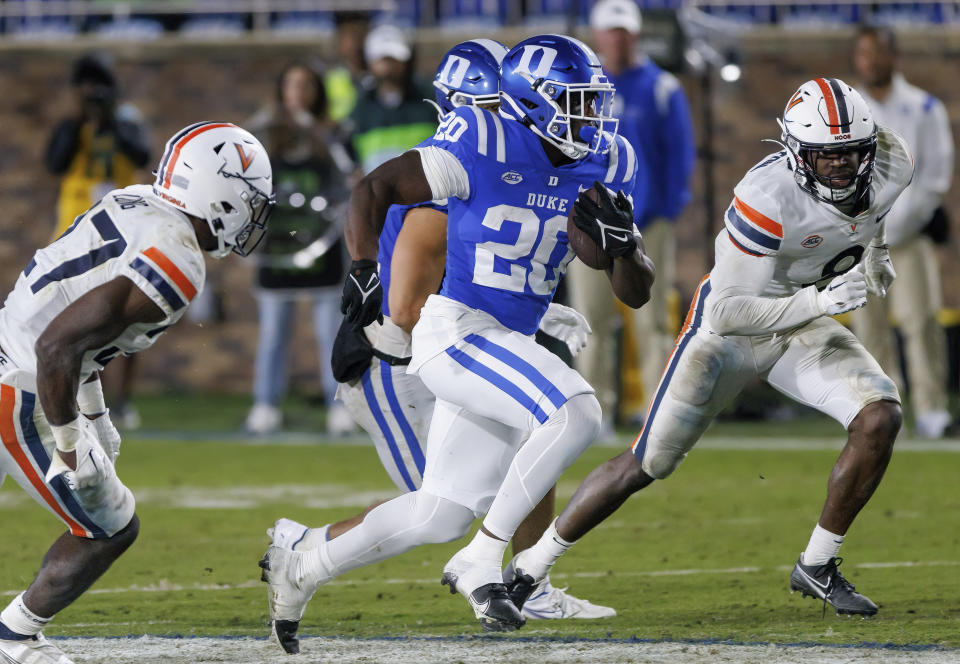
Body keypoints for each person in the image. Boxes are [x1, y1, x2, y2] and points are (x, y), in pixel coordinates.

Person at [259, 34, 655, 653]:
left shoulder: (607, 161)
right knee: (574, 410)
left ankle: (304, 560)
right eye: (575, 103)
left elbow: (636, 293)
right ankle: (488, 560)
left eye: (592, 102)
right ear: (529, 101)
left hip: (503, 339)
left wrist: (624, 245)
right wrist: (364, 266)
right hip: (456, 330)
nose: (591, 117)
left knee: (437, 512)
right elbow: (373, 189)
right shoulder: (484, 139)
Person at [505, 79, 913, 619]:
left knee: (879, 417)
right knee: (646, 463)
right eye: (825, 155)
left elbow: (872, 214)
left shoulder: (889, 161)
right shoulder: (767, 196)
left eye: (849, 153)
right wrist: (822, 299)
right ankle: (530, 567)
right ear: (794, 152)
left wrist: (876, 252)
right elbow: (727, 311)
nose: (840, 166)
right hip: (729, 331)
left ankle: (816, 564)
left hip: (802, 323)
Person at [0, 122, 274, 663]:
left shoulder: (137, 200)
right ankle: (15, 635)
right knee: (109, 527)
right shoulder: (178, 260)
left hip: (14, 354)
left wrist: (98, 413)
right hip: (24, 387)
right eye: (250, 202)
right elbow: (60, 346)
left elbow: (80, 325)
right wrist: (72, 442)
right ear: (220, 195)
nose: (253, 216)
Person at [566, 0, 695, 432]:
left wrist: (662, 211)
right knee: (590, 319)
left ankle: (659, 408)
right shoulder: (577, 88)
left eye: (624, 31)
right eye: (610, 30)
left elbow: (679, 156)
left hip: (647, 220)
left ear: (635, 35)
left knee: (654, 320)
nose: (617, 38)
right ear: (597, 35)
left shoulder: (662, 87)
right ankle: (593, 411)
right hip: (588, 219)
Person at [850, 26, 955, 439]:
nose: (871, 61)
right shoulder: (849, 109)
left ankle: (931, 410)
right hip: (858, 241)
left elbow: (934, 177)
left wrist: (898, 225)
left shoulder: (924, 108)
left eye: (878, 52)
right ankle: (880, 409)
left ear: (895, 57)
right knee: (868, 329)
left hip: (908, 239)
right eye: (864, 53)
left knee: (922, 321)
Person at [244, 62, 356, 436]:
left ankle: (337, 406)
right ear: (281, 91)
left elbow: (349, 181)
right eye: (291, 85)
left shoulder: (333, 136)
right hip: (277, 249)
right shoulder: (263, 135)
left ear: (317, 93)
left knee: (329, 332)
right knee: (273, 332)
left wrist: (323, 134)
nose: (299, 93)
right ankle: (266, 404)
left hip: (321, 247)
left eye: (306, 86)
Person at [45, 53, 153, 431]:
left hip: (120, 232)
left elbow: (142, 154)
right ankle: (77, 402)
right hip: (74, 234)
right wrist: (81, 120)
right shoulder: (71, 125)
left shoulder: (126, 122)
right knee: (73, 322)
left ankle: (120, 403)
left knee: (124, 318)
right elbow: (55, 162)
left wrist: (108, 118)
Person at [348, 24, 437, 173]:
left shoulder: (429, 99)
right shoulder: (361, 106)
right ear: (369, 61)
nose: (388, 65)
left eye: (394, 58)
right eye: (383, 58)